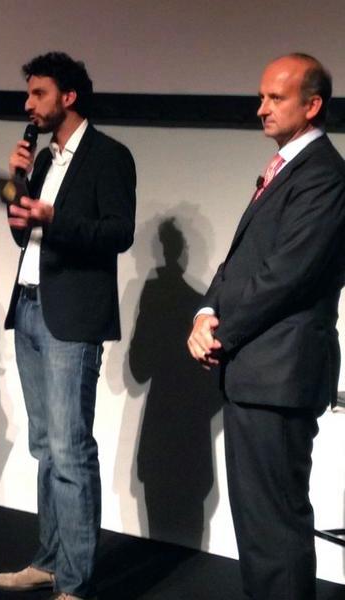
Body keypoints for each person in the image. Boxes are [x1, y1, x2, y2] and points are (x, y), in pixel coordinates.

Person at [187, 53, 345, 600]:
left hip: (280, 374)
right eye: (261, 97)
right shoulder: (285, 168)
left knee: (275, 530)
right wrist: (204, 313)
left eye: (276, 98)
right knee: (259, 530)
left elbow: (286, 276)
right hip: (256, 372)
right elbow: (240, 261)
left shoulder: (323, 175)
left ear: (313, 105)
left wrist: (221, 331)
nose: (262, 108)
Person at [0, 52, 136, 600]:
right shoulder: (44, 160)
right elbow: (22, 232)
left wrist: (56, 218)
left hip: (71, 317)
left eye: (39, 93)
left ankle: (74, 582)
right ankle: (49, 561)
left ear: (68, 97)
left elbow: (119, 232)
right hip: (29, 306)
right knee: (45, 448)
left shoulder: (109, 155)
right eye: (28, 94)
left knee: (71, 448)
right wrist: (18, 180)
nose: (28, 104)